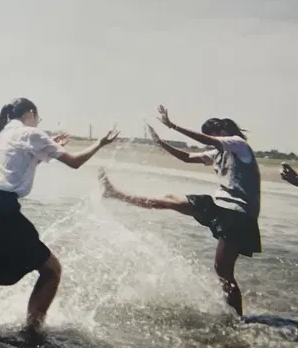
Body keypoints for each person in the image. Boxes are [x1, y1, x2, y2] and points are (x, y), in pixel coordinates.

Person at [0, 97, 119, 332]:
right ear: (30, 113)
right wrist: (100, 144)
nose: (37, 123)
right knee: (51, 271)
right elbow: (75, 162)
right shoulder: (31, 133)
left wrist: (48, 145)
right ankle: (32, 333)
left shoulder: (0, 134)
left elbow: (16, 165)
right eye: (37, 118)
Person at [98, 105, 261, 317]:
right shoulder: (218, 152)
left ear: (221, 133)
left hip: (239, 214)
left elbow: (207, 141)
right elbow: (186, 157)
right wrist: (160, 143)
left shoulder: (238, 144)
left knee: (223, 270)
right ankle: (115, 194)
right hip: (221, 207)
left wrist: (171, 125)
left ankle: (238, 319)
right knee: (170, 200)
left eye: (210, 135)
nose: (209, 139)